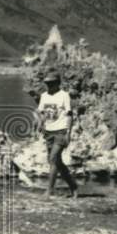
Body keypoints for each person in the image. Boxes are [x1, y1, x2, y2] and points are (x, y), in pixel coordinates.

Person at [37, 70, 79, 198]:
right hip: (48, 132)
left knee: (53, 158)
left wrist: (68, 133)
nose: (49, 86)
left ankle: (49, 190)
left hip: (61, 131)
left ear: (57, 83)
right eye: (47, 83)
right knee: (57, 162)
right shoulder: (44, 96)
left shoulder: (64, 95)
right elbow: (42, 112)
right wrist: (40, 123)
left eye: (51, 83)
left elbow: (70, 115)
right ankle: (73, 186)